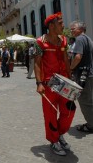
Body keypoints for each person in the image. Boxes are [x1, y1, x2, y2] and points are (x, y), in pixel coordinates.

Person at [34, 12, 75, 156]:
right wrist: (39, 83)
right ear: (52, 26)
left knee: (69, 109)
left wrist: (71, 78)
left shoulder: (63, 40)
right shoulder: (39, 42)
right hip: (48, 83)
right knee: (50, 113)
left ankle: (59, 133)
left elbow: (66, 60)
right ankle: (54, 140)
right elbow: (37, 64)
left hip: (64, 82)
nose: (63, 25)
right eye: (61, 23)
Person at [69, 21, 93, 133]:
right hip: (90, 73)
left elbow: (78, 57)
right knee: (90, 99)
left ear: (81, 29)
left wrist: (70, 68)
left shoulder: (79, 39)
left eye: (73, 29)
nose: (71, 31)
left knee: (84, 101)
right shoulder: (88, 39)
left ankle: (91, 125)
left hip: (83, 75)